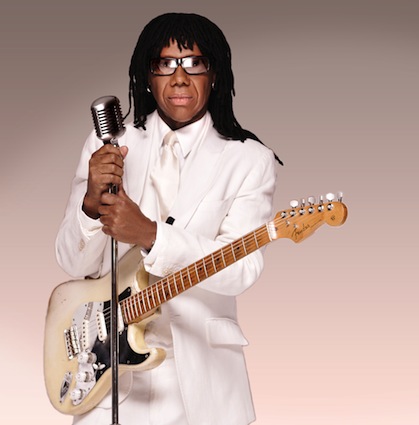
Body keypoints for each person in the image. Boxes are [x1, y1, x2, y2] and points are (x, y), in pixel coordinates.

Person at [55, 12, 280, 425]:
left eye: (194, 63)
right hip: (108, 376)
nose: (179, 78)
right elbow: (73, 262)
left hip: (199, 383)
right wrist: (90, 203)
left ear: (215, 74)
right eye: (165, 63)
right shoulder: (110, 145)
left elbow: (242, 269)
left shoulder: (250, 160)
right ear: (147, 75)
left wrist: (151, 235)